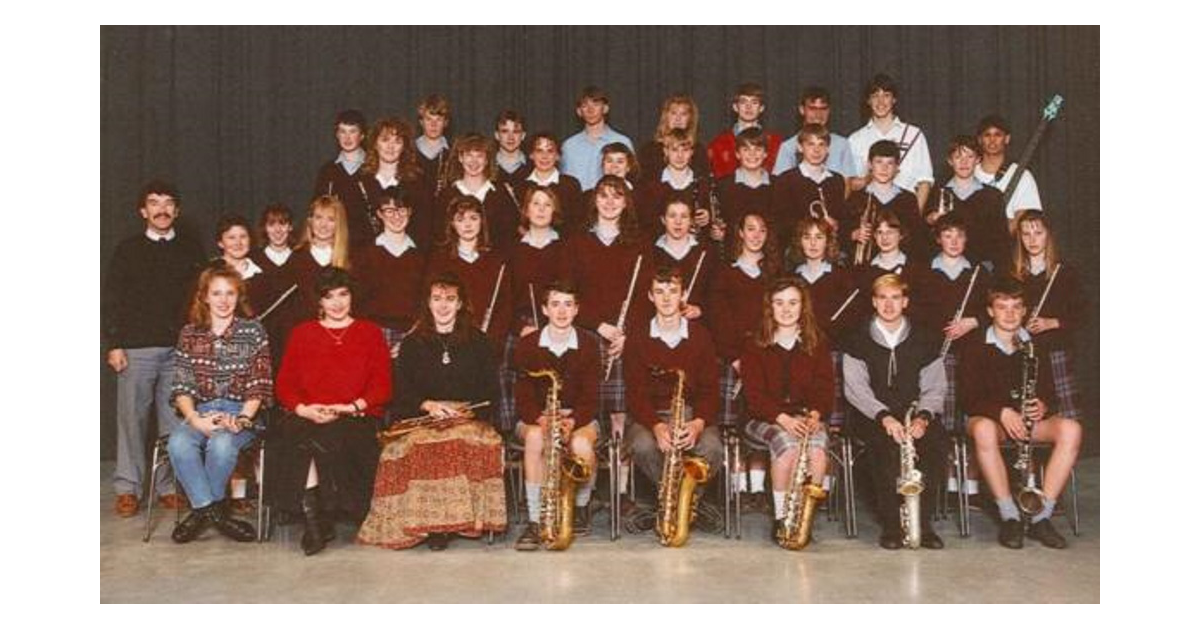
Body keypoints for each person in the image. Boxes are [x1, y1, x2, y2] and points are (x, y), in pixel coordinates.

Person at [357, 273, 506, 550]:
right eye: (437, 299)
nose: (443, 306)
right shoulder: (412, 343)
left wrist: (463, 411)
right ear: (428, 303)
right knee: (420, 444)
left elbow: (490, 392)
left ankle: (460, 522)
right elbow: (401, 391)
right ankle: (430, 526)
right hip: (423, 416)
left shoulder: (480, 341)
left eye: (450, 299)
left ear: (461, 303)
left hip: (466, 417)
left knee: (458, 440)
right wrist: (428, 405)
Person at [272, 267, 392, 556]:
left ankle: (326, 514)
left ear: (352, 297)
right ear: (319, 302)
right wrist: (305, 409)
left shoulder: (369, 332)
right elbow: (284, 384)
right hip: (310, 413)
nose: (337, 303)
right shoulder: (302, 333)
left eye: (343, 294)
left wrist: (350, 407)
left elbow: (383, 385)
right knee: (298, 436)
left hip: (354, 415)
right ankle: (314, 522)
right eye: (329, 297)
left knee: (338, 436)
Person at [103, 180, 205, 517]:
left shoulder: (191, 250)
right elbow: (112, 299)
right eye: (154, 203)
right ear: (143, 211)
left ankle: (166, 486)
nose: (161, 209)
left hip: (179, 350)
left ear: (176, 210)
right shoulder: (128, 249)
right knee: (131, 419)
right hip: (137, 347)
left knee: (174, 421)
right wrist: (114, 343)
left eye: (168, 203)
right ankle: (127, 487)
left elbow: (201, 301)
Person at [959, 278, 1081, 549]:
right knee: (982, 429)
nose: (1010, 314)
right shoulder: (974, 345)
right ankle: (1010, 516)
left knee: (1071, 429)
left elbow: (1049, 390)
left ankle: (1040, 515)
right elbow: (967, 399)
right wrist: (1000, 412)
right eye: (1002, 307)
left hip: (1027, 420)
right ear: (990, 311)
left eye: (1016, 307)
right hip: (991, 420)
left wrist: (1044, 405)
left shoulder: (1036, 344)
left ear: (1025, 311)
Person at [842, 274, 950, 550]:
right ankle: (891, 525)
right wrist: (884, 417)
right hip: (872, 415)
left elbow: (935, 387)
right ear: (874, 302)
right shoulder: (857, 339)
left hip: (916, 413)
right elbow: (855, 390)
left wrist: (924, 418)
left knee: (935, 445)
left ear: (905, 301)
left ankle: (922, 525)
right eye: (882, 298)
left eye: (895, 298)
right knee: (883, 447)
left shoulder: (925, 338)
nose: (889, 304)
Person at [166, 266, 273, 543]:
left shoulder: (253, 331)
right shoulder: (190, 334)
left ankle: (201, 512)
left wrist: (241, 420)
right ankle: (214, 512)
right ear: (204, 297)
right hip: (201, 411)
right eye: (217, 293)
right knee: (178, 443)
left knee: (223, 443)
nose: (223, 300)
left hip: (242, 412)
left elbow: (259, 384)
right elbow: (182, 385)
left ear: (238, 297)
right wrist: (195, 419)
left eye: (230, 293)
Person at [624, 266, 722, 530]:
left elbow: (710, 391)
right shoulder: (637, 335)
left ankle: (680, 504)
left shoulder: (701, 336)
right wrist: (656, 426)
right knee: (643, 446)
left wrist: (698, 424)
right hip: (649, 417)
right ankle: (681, 504)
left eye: (673, 291)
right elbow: (634, 393)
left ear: (684, 295)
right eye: (659, 291)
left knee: (712, 448)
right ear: (649, 296)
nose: (666, 298)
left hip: (691, 413)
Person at [739, 277, 834, 543]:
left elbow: (825, 387)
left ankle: (803, 516)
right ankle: (782, 517)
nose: (786, 309)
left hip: (807, 416)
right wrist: (782, 419)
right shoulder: (754, 343)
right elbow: (754, 396)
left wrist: (816, 414)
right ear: (770, 307)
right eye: (779, 303)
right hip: (763, 418)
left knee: (816, 450)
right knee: (787, 445)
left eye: (793, 303)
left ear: (803, 307)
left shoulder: (816, 342)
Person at [561, 175, 651, 449]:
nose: (610, 202)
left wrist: (628, 335)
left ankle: (619, 478)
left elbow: (647, 298)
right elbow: (567, 294)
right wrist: (599, 326)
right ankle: (584, 451)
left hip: (625, 335)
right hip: (588, 331)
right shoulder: (577, 242)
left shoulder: (640, 243)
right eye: (603, 196)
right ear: (594, 201)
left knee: (620, 410)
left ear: (626, 203)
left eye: (617, 196)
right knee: (585, 400)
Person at [512, 281, 602, 549]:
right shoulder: (527, 344)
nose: (561, 311)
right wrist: (542, 420)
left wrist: (571, 421)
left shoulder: (589, 343)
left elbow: (591, 397)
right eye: (555, 304)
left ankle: (580, 506)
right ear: (544, 309)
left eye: (568, 304)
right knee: (537, 439)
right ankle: (535, 519)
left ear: (576, 310)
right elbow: (523, 397)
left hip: (579, 416)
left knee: (581, 444)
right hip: (535, 417)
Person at [707, 212, 780, 503]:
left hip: (766, 360)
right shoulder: (725, 272)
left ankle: (758, 487)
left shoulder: (775, 274)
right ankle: (737, 490)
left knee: (760, 421)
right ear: (739, 233)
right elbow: (718, 320)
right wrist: (736, 358)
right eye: (750, 229)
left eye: (762, 229)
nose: (756, 235)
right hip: (732, 360)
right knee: (732, 425)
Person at [499, 188, 569, 433]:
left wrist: (554, 324)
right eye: (535, 204)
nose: (540, 209)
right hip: (522, 324)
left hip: (559, 322)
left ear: (555, 211)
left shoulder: (565, 248)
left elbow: (570, 292)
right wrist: (521, 328)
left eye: (547, 204)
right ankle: (515, 434)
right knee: (513, 373)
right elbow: (505, 298)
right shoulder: (512, 249)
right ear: (526, 210)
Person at [1009, 210, 1084, 427]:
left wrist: (1052, 322)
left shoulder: (1065, 271)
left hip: (1055, 353)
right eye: (1026, 234)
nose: (1032, 240)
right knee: (1027, 421)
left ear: (1048, 235)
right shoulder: (1012, 273)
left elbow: (1083, 314)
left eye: (1038, 233)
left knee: (1068, 421)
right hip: (1022, 354)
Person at [424, 195, 512, 351]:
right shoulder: (439, 260)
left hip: (488, 345)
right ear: (452, 224)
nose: (467, 225)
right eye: (460, 219)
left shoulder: (497, 260)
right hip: (448, 344)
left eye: (473, 218)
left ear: (482, 221)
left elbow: (505, 307)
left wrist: (492, 342)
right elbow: (432, 304)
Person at [353, 186, 427, 360]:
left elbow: (425, 302)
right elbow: (356, 301)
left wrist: (411, 337)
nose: (396, 216)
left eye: (401, 210)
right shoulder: (364, 255)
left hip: (412, 335)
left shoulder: (420, 258)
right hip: (373, 334)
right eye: (389, 210)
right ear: (379, 214)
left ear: (410, 212)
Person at [847, 74, 934, 211]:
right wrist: (868, 177)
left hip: (905, 212)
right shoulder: (855, 139)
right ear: (868, 100)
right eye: (875, 96)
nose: (881, 102)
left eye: (886, 95)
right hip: (869, 210)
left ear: (894, 99)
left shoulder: (914, 134)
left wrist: (914, 216)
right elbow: (850, 184)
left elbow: (925, 180)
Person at [923, 135, 1010, 269]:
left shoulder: (993, 196)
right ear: (950, 161)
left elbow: (1002, 243)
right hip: (946, 271)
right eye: (958, 157)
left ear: (978, 160)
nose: (964, 163)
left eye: (969, 157)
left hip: (982, 272)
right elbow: (926, 243)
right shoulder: (937, 195)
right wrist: (930, 222)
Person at [434, 133, 520, 254]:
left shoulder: (501, 194)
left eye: (479, 156)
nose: (474, 161)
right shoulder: (446, 195)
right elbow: (439, 236)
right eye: (469, 155)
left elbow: (511, 235)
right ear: (460, 157)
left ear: (486, 160)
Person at [844, 140, 927, 264]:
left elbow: (917, 239)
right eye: (879, 162)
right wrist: (854, 235)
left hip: (900, 267)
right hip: (864, 268)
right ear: (870, 165)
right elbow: (841, 234)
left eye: (890, 163)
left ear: (897, 167)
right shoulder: (856, 197)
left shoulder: (908, 199)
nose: (884, 168)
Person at [360, 117, 435, 249]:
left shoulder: (419, 182)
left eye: (397, 141)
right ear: (375, 144)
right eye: (385, 140)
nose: (390, 147)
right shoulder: (361, 180)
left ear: (404, 147)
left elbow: (425, 229)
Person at [770, 123, 845, 249]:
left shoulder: (836, 180)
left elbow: (842, 217)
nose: (816, 150)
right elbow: (781, 223)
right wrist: (815, 225)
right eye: (810, 144)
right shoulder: (786, 180)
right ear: (800, 147)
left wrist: (836, 225)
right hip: (796, 250)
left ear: (828, 149)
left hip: (829, 249)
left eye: (821, 144)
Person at [636, 129, 715, 241]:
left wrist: (708, 219)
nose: (680, 155)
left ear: (692, 152)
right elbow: (645, 225)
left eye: (685, 150)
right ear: (665, 151)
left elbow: (712, 231)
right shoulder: (650, 185)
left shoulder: (704, 184)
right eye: (674, 150)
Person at [312, 109, 376, 248]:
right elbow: (317, 211)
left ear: (362, 135)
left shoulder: (374, 169)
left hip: (368, 245)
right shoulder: (327, 171)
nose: (347, 138)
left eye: (352, 131)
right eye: (343, 131)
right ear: (337, 135)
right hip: (334, 245)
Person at [650, 198, 716, 322]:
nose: (678, 222)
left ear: (691, 221)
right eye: (672, 216)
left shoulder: (707, 252)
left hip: (697, 327)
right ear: (663, 220)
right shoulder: (650, 253)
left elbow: (716, 296)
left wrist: (700, 310)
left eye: (684, 216)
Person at [560, 86, 634, 191]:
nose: (590, 110)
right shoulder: (568, 146)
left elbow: (631, 181)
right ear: (579, 111)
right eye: (585, 105)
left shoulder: (623, 142)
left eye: (596, 104)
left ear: (605, 108)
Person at [774, 86, 856, 180]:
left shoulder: (842, 144)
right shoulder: (788, 147)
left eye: (823, 108)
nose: (818, 114)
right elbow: (781, 184)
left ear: (829, 111)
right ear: (802, 110)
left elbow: (847, 184)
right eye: (812, 109)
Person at [975, 114, 1043, 225]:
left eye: (998, 135)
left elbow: (1024, 218)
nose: (992, 140)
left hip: (1008, 241)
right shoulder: (968, 174)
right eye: (987, 135)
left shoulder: (1022, 175)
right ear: (979, 140)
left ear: (1007, 139)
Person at [706, 82, 783, 179]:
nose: (748, 107)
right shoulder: (718, 144)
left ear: (762, 108)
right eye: (743, 102)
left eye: (754, 102)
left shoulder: (776, 142)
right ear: (735, 107)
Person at [512, 132, 585, 233]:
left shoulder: (571, 185)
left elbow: (577, 224)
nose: (544, 156)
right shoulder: (519, 184)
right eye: (539, 151)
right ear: (531, 155)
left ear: (558, 156)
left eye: (550, 151)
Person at [713, 128, 773, 238]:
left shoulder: (779, 185)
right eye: (746, 149)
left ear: (766, 153)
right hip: (732, 252)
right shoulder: (722, 186)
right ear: (737, 154)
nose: (752, 154)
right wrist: (715, 233)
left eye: (758, 149)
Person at [637, 94, 710, 186]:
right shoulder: (648, 151)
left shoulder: (699, 151)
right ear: (665, 116)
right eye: (673, 113)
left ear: (690, 118)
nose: (678, 119)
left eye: (683, 114)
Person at [414, 94, 453, 195]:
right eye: (428, 119)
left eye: (438, 120)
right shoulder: (409, 152)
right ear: (421, 122)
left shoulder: (454, 154)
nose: (433, 125)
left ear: (446, 123)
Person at [493, 109, 528, 187]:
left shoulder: (533, 166)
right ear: (497, 135)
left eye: (515, 132)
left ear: (523, 135)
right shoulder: (486, 166)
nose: (510, 137)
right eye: (505, 131)